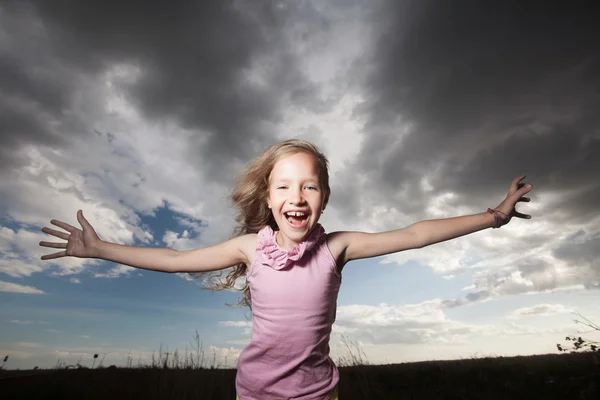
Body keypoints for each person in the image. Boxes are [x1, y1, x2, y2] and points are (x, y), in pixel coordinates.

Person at [39, 139, 533, 400]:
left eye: (309, 187)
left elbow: (415, 232)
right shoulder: (250, 249)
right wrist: (103, 250)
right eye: (284, 187)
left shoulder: (338, 247)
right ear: (269, 199)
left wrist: (494, 216)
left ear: (324, 198)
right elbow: (173, 261)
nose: (296, 197)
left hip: (319, 396)